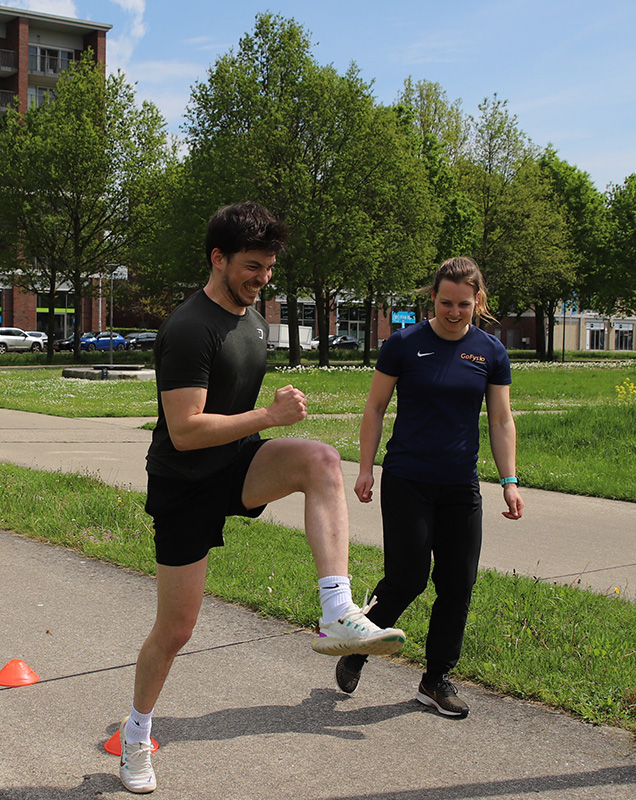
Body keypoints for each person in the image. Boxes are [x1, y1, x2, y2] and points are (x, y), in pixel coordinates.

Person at [118, 201, 405, 793]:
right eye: (253, 266)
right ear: (217, 258)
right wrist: (268, 415)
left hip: (234, 463)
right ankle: (137, 734)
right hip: (184, 485)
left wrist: (267, 416)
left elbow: (234, 415)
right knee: (175, 631)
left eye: (270, 267)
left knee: (321, 459)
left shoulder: (250, 320)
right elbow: (185, 429)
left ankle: (336, 612)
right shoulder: (189, 327)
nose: (263, 278)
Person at [337, 256, 524, 719]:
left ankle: (435, 679)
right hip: (408, 480)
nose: (454, 312)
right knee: (407, 578)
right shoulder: (403, 344)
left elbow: (501, 419)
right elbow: (375, 408)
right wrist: (366, 468)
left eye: (463, 304)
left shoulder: (490, 351)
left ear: (477, 301)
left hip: (461, 485)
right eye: (445, 303)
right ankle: (359, 646)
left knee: (457, 584)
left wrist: (510, 480)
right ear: (433, 298)